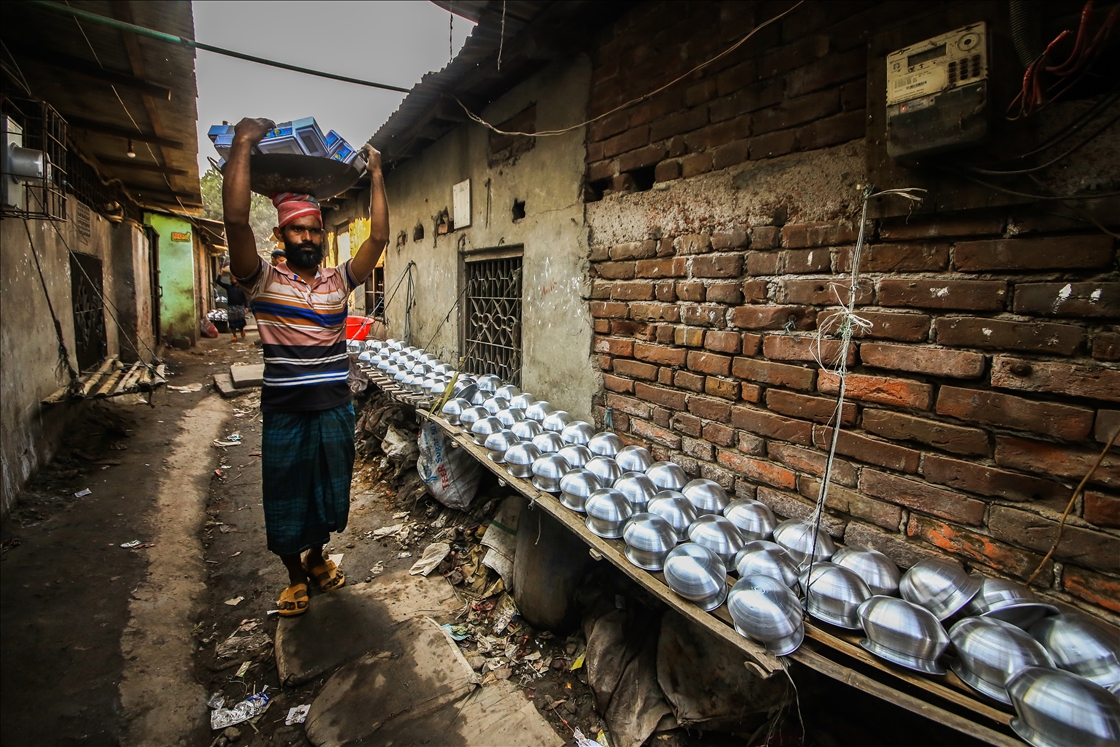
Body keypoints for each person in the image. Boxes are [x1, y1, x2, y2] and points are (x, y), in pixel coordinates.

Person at [223, 117, 389, 617]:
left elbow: (378, 239)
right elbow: (233, 222)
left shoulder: (339, 281)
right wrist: (243, 144)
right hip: (287, 412)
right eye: (299, 228)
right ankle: (295, 575)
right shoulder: (262, 281)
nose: (309, 237)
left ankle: (318, 558)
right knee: (286, 496)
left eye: (315, 229)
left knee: (330, 492)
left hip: (335, 408)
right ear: (281, 232)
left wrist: (378, 174)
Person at [214, 271, 249, 342]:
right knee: (232, 322)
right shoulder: (228, 287)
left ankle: (242, 330)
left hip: (239, 307)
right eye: (232, 278)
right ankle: (234, 335)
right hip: (231, 307)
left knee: (241, 321)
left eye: (234, 279)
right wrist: (220, 274)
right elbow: (218, 281)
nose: (233, 280)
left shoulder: (241, 288)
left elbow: (245, 298)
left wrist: (246, 306)